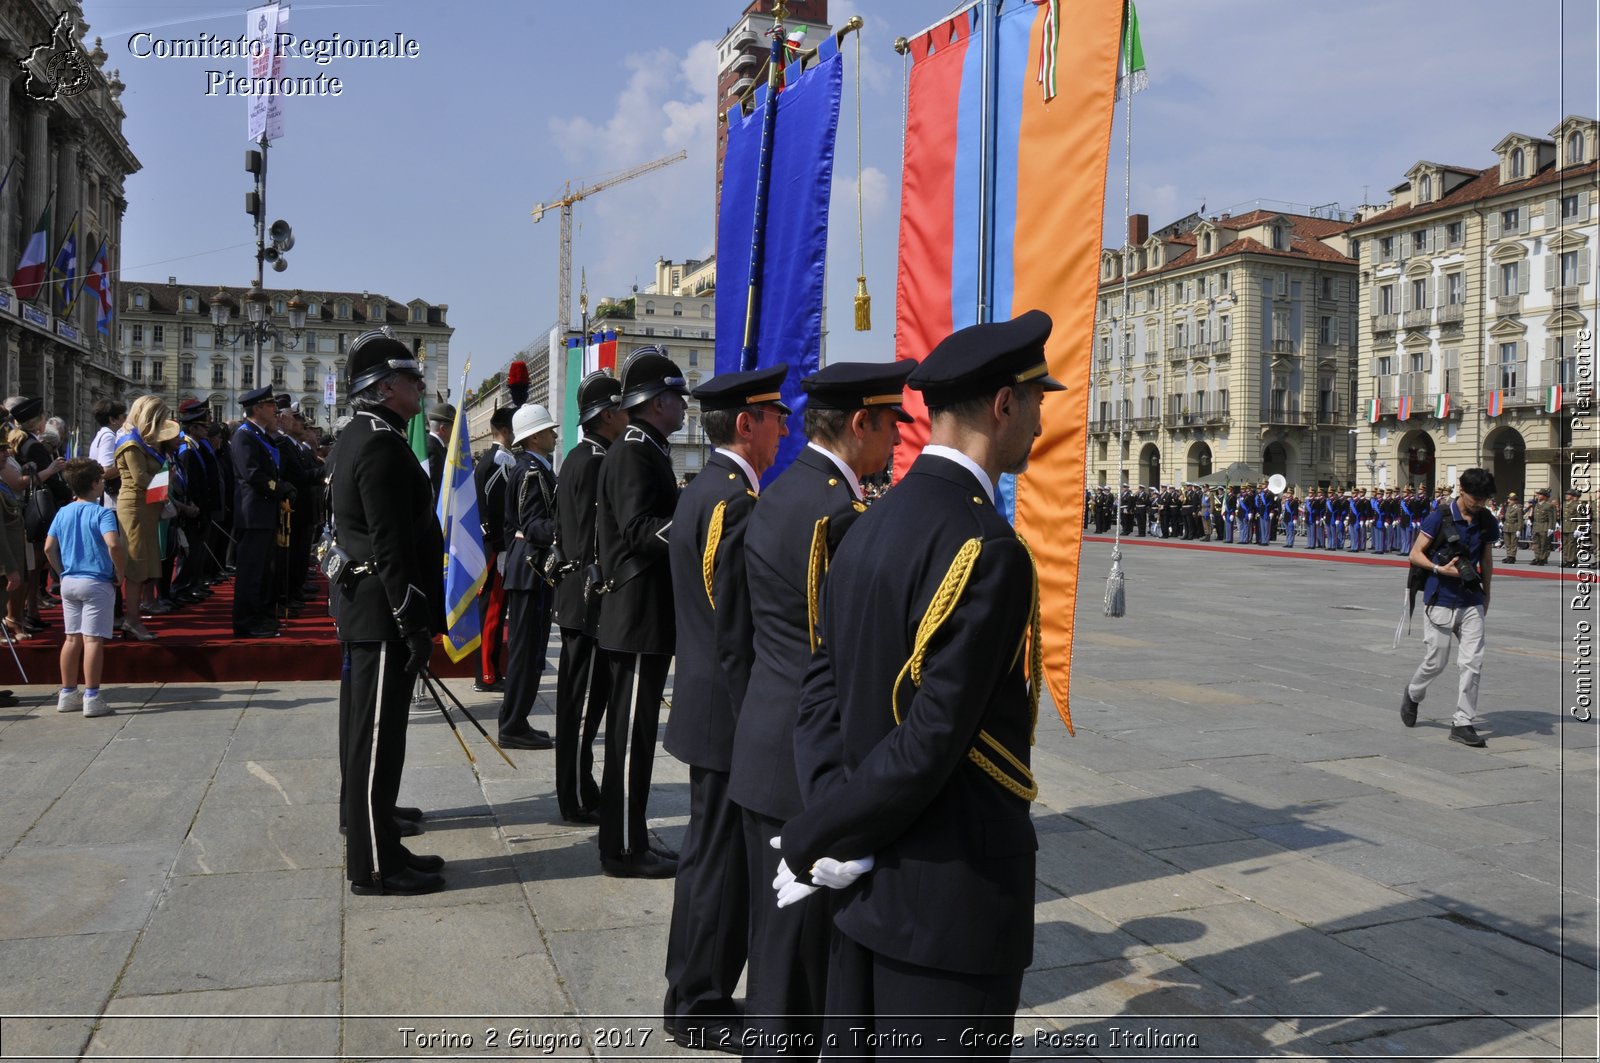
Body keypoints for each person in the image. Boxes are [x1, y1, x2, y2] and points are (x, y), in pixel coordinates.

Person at [776, 310, 1060, 1050]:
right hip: (950, 895)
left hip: (864, 887)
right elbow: (934, 737)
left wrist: (838, 822)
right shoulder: (988, 548)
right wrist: (822, 833)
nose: (1040, 418)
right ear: (1003, 406)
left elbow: (820, 698)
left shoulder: (865, 521)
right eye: (1036, 400)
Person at [730, 360, 912, 1057]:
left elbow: (736, 638)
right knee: (805, 965)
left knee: (772, 948)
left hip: (761, 746)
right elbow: (845, 664)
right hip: (810, 764)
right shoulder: (841, 513)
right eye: (891, 420)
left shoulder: (772, 496)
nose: (897, 436)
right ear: (861, 422)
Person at [661, 364, 791, 1048]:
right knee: (716, 865)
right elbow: (739, 626)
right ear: (747, 423)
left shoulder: (704, 491)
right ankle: (698, 1001)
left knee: (707, 858)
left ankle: (691, 988)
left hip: (707, 706)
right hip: (726, 715)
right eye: (776, 416)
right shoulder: (734, 503)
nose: (784, 428)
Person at [329, 330, 446, 896]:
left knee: (379, 736)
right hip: (381, 612)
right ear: (384, 387)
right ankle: (374, 865)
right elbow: (387, 544)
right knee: (376, 739)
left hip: (375, 610)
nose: (420, 385)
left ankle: (381, 841)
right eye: (411, 378)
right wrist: (412, 619)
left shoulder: (369, 433)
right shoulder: (377, 442)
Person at [593, 346, 688, 879]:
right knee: (630, 741)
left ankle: (627, 839)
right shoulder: (634, 449)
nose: (682, 408)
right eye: (676, 398)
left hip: (644, 614)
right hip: (636, 613)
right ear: (655, 403)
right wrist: (695, 526)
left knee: (637, 736)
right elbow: (636, 529)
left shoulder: (647, 445)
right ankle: (625, 849)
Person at [550, 371, 625, 824]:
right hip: (588, 596)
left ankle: (579, 785)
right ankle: (575, 793)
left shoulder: (578, 456)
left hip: (575, 591)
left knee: (581, 701)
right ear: (608, 415)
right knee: (581, 707)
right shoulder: (598, 461)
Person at [1401, 468, 1498, 749]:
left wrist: (1487, 595)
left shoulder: (1486, 520)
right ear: (1462, 489)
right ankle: (1413, 692)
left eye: (1485, 498)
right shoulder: (1440, 516)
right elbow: (1415, 553)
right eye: (1475, 497)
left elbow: (1487, 559)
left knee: (1472, 662)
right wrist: (1438, 568)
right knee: (1436, 661)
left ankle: (1463, 722)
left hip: (1471, 600)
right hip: (1440, 597)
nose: (1479, 503)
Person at [497, 402, 560, 751]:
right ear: (534, 436)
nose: (554, 434)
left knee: (531, 651)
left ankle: (516, 720)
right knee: (525, 651)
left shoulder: (533, 467)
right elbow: (532, 524)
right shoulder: (532, 472)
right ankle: (513, 724)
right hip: (531, 568)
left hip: (529, 567)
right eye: (549, 430)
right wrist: (567, 528)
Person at [45, 459, 123, 719]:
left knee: (71, 638)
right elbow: (113, 545)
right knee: (92, 640)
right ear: (94, 484)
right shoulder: (102, 514)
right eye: (101, 480)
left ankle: (67, 693)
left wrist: (59, 571)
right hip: (96, 580)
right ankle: (92, 696)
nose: (103, 484)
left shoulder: (63, 512)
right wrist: (119, 572)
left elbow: (48, 548)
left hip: (69, 580)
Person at [114, 396, 177, 642]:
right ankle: (132, 620)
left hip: (147, 507)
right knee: (137, 566)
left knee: (145, 563)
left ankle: (135, 619)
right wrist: (166, 480)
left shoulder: (141, 442)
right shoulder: (131, 443)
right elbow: (140, 478)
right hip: (136, 507)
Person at [232, 387, 291, 638]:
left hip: (264, 511)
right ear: (257, 409)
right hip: (253, 511)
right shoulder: (244, 435)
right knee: (251, 572)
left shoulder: (260, 435)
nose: (274, 410)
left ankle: (260, 616)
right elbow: (253, 474)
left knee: (263, 570)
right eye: (269, 405)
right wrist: (279, 490)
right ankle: (246, 622)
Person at [473, 406, 516, 693]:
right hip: (495, 547)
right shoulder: (500, 461)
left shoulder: (491, 459)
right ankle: (486, 675)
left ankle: (490, 670)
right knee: (492, 611)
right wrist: (502, 547)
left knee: (494, 610)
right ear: (506, 429)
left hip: (491, 545)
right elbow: (498, 509)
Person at [89, 400, 126, 498]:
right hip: (109, 499)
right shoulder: (109, 437)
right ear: (112, 420)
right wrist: (128, 463)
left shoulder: (102, 434)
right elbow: (105, 471)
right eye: (123, 417)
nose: (125, 421)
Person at [426, 402, 453, 506]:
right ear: (443, 429)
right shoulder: (434, 450)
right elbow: (434, 488)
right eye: (453, 428)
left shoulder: (435, 446)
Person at [1529, 488, 1557, 565]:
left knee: (1544, 543)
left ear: (1544, 496)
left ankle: (1542, 558)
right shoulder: (1537, 505)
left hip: (1544, 526)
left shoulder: (1549, 505)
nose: (1538, 496)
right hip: (1536, 526)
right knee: (1536, 543)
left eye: (1540, 494)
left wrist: (1551, 528)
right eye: (1538, 494)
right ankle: (1537, 557)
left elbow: (1552, 518)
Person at [1563, 489, 1584, 567]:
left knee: (1571, 545)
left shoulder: (1576, 505)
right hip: (1565, 526)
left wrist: (1578, 529)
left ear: (1572, 496)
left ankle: (1571, 560)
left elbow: (1579, 517)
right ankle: (1566, 559)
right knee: (1565, 544)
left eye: (1568, 495)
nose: (1566, 496)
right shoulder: (1564, 504)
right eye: (1566, 494)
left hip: (1573, 527)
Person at [1500, 492, 1522, 563]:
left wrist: (1519, 529)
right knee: (1507, 542)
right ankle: (1508, 555)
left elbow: (1520, 520)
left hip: (1514, 527)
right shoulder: (1508, 507)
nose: (1508, 500)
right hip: (1507, 526)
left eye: (1510, 499)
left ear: (1515, 500)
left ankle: (1512, 557)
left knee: (1513, 543)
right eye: (1509, 499)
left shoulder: (1518, 508)